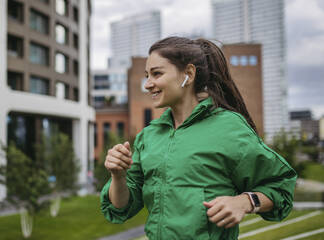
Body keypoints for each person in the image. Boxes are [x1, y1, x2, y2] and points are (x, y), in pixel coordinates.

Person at [100, 37, 297, 239]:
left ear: (189, 74)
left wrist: (244, 202)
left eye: (157, 74)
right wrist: (118, 175)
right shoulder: (149, 136)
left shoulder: (229, 128)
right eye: (147, 75)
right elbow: (121, 207)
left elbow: (280, 187)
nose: (148, 84)